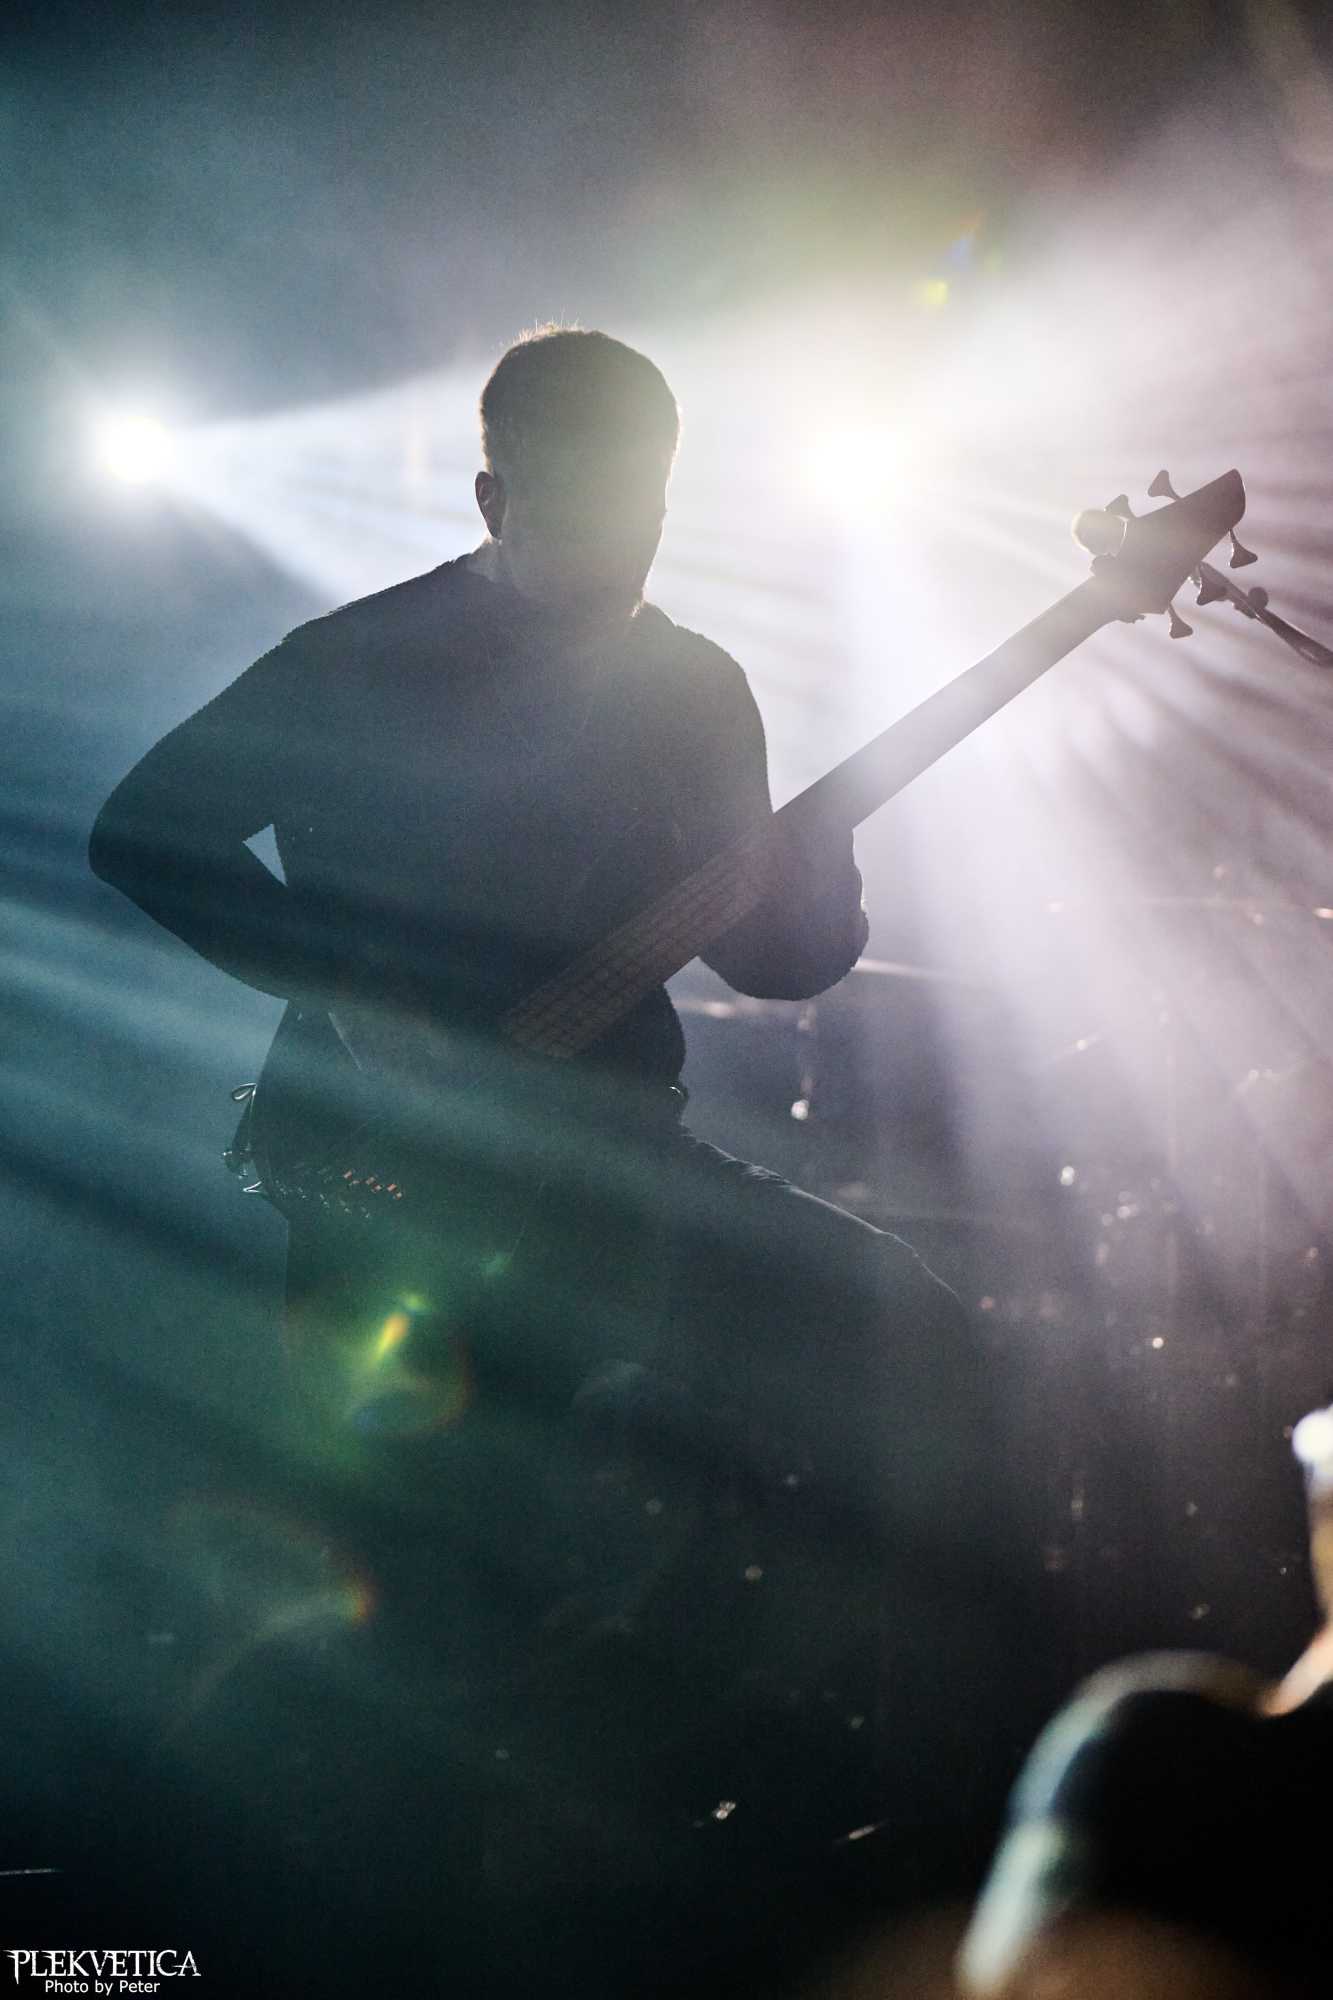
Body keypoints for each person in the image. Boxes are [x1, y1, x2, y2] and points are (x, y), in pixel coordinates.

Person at [89, 326, 1012, 1995]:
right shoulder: (359, 657)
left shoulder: (691, 685)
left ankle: (739, 1814)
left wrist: (813, 864)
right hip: (385, 1169)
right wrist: (366, 1001)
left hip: (605, 1152)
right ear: (491, 496)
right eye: (583, 512)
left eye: (646, 511)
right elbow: (142, 830)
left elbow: (776, 961)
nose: (620, 548)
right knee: (435, 1554)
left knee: (910, 1343)